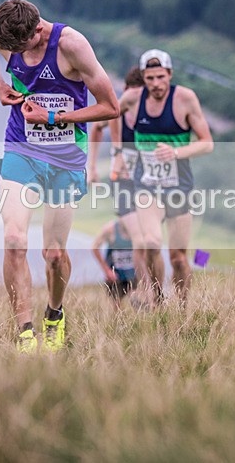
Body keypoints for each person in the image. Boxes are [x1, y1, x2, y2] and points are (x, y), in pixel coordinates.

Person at [0, 0, 119, 353]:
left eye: (17, 49)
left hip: (65, 156)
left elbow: (110, 108)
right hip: (21, 148)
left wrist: (54, 119)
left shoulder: (72, 45)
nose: (12, 56)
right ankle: (25, 331)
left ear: (37, 31)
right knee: (13, 238)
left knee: (54, 254)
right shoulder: (7, 34)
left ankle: (54, 314)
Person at [110, 49, 213, 308]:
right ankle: (157, 299)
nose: (155, 84)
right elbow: (109, 113)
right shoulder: (133, 98)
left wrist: (176, 152)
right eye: (149, 78)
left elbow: (207, 143)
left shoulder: (185, 99)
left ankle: (181, 305)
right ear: (143, 78)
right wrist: (119, 150)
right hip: (146, 186)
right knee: (151, 243)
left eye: (160, 77)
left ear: (169, 74)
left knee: (178, 258)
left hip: (179, 187)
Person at [87, 65, 149, 306]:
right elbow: (96, 127)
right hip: (122, 180)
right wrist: (92, 166)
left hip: (146, 181)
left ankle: (149, 290)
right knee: (139, 239)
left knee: (149, 239)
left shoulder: (147, 110)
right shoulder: (119, 106)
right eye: (134, 93)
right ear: (126, 90)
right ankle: (143, 293)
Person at [91, 218, 136, 311]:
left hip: (133, 274)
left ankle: (139, 324)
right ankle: (118, 323)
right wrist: (107, 270)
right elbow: (94, 247)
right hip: (116, 275)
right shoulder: (110, 229)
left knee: (137, 304)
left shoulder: (138, 229)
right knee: (117, 308)